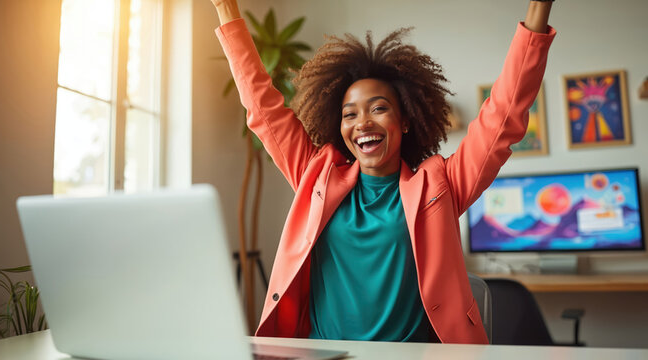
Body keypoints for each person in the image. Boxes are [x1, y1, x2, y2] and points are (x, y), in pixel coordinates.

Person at [210, 0, 556, 344]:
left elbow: (503, 117)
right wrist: (226, 9)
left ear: (404, 121)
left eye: (378, 108)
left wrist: (539, 9)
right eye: (350, 114)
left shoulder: (439, 187)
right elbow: (261, 107)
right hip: (326, 353)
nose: (363, 123)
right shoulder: (315, 175)